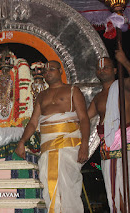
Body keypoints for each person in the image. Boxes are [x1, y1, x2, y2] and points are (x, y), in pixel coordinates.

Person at [15, 60, 89, 212]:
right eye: (45, 71)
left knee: (69, 186)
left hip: (69, 145)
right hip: (48, 147)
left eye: (52, 70)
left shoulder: (72, 90)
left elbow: (84, 119)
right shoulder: (41, 96)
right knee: (49, 184)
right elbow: (33, 123)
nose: (47, 73)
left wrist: (85, 144)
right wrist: (22, 141)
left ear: (61, 71)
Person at [88, 49, 130, 213]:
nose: (101, 69)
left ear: (114, 70)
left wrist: (124, 61)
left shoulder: (124, 85)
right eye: (99, 67)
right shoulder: (97, 98)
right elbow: (83, 117)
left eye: (106, 66)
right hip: (108, 148)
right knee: (114, 193)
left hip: (127, 143)